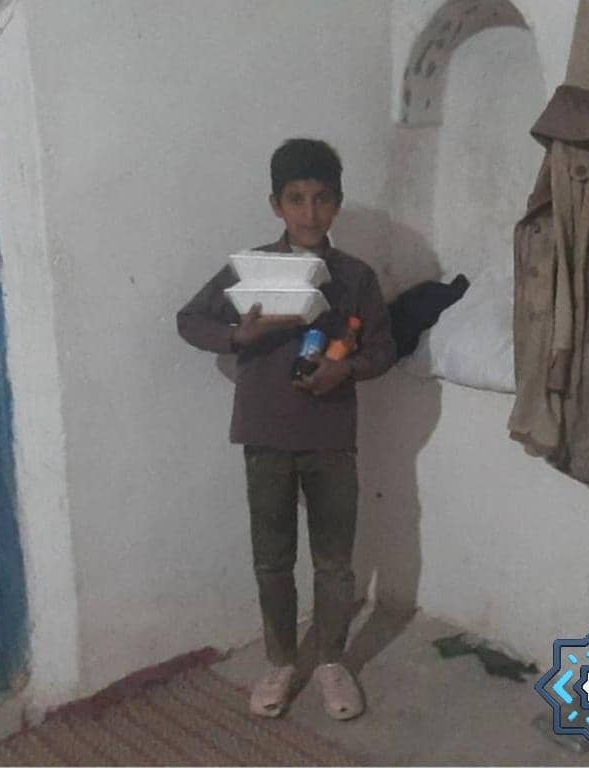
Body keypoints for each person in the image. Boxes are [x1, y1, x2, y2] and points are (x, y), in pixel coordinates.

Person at [177, 138, 394, 718]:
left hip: (330, 438)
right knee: (272, 559)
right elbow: (189, 319)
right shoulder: (250, 269)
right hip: (265, 435)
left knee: (334, 562)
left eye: (322, 199)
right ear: (276, 204)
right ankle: (279, 660)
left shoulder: (354, 278)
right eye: (296, 199)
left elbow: (384, 347)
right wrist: (236, 337)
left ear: (337, 204)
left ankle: (330, 661)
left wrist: (343, 368)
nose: (309, 212)